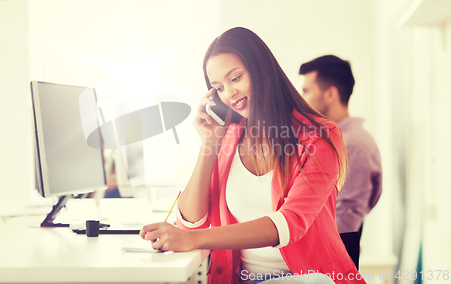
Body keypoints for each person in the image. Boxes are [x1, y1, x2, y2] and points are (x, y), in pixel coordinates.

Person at [140, 28, 366, 284]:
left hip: (307, 278)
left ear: (261, 70)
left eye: (235, 78)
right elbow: (191, 223)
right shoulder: (227, 138)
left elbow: (290, 223)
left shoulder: (319, 137)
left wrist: (192, 239)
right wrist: (209, 143)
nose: (229, 93)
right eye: (219, 88)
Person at [299, 55, 382, 265]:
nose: (302, 98)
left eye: (307, 90)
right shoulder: (335, 141)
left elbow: (346, 215)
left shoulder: (353, 145)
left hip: (331, 259)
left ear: (330, 94)